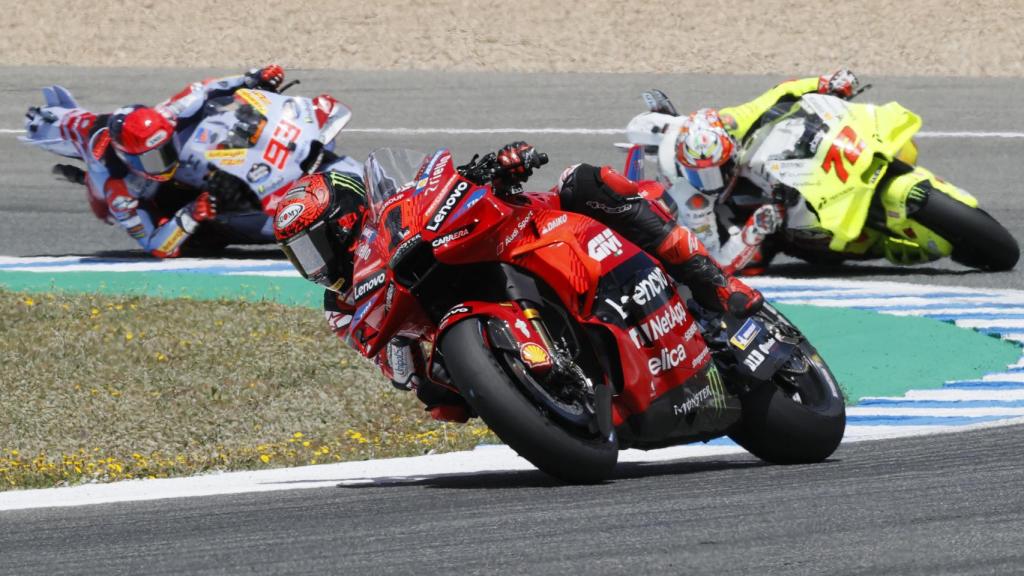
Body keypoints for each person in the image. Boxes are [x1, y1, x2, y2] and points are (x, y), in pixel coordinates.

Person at [273, 143, 765, 423]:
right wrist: (425, 379)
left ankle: (717, 285)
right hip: (459, 322)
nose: (311, 264)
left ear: (346, 220)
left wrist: (498, 166)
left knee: (583, 182)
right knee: (444, 402)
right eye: (299, 256)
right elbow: (399, 367)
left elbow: (447, 188)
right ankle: (556, 387)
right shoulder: (342, 306)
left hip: (531, 231)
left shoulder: (399, 208)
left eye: (313, 246)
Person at [23, 65, 286, 257]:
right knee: (199, 235)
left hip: (106, 131)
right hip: (129, 188)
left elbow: (205, 88)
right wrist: (192, 213)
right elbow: (155, 244)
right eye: (154, 159)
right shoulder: (118, 188)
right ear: (130, 158)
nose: (166, 160)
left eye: (167, 148)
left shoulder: (167, 114)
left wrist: (252, 78)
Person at [629, 70, 861, 274]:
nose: (710, 182)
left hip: (742, 161)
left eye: (713, 171)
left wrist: (826, 82)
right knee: (754, 261)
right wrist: (755, 229)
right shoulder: (692, 199)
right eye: (700, 175)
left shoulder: (732, 122)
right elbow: (716, 263)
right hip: (712, 207)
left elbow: (782, 92)